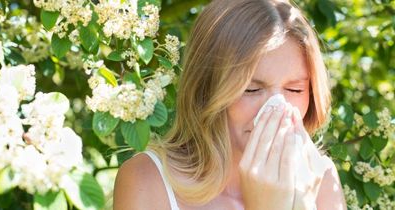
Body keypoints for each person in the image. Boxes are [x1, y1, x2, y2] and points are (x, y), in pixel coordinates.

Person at [113, 0, 347, 209]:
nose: (278, 108)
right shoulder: (146, 179)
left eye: (295, 89)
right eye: (251, 89)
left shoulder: (321, 178)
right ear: (207, 90)